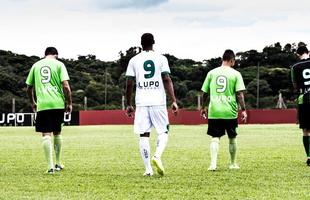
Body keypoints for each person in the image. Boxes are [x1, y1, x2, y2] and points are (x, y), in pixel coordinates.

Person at [125, 33, 178, 176]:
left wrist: (129, 104)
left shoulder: (134, 60)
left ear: (140, 44)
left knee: (143, 135)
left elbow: (129, 83)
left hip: (141, 102)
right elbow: (166, 79)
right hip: (158, 102)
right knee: (163, 131)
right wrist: (173, 100)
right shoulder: (161, 58)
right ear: (154, 42)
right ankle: (157, 156)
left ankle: (148, 169)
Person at [26, 47, 72, 174]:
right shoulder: (59, 64)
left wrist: (33, 102)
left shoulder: (36, 65)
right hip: (58, 103)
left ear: (45, 54)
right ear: (56, 55)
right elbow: (66, 86)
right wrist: (69, 103)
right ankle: (58, 163)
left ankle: (50, 167)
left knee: (46, 134)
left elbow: (28, 88)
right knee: (57, 132)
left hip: (43, 104)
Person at [200, 49, 247, 171]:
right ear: (232, 60)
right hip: (229, 111)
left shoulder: (211, 73)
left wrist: (203, 107)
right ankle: (232, 163)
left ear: (222, 59)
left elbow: (205, 93)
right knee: (232, 137)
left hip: (214, 111)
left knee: (215, 137)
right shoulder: (236, 74)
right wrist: (244, 110)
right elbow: (239, 94)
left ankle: (213, 164)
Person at [291, 45, 310, 166]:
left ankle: (309, 156)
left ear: (298, 54)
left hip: (304, 99)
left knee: (306, 130)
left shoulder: (295, 67)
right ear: (308, 52)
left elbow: (295, 85)